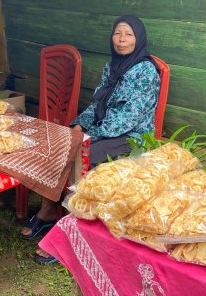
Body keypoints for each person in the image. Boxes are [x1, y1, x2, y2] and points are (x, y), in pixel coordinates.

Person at [23, 14, 161, 264]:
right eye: (117, 33)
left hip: (131, 137)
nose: (121, 39)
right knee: (61, 146)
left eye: (129, 34)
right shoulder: (112, 67)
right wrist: (79, 126)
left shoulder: (146, 72)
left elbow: (127, 119)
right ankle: (48, 210)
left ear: (139, 39)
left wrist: (88, 136)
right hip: (103, 129)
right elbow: (97, 104)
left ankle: (69, 232)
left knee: (79, 159)